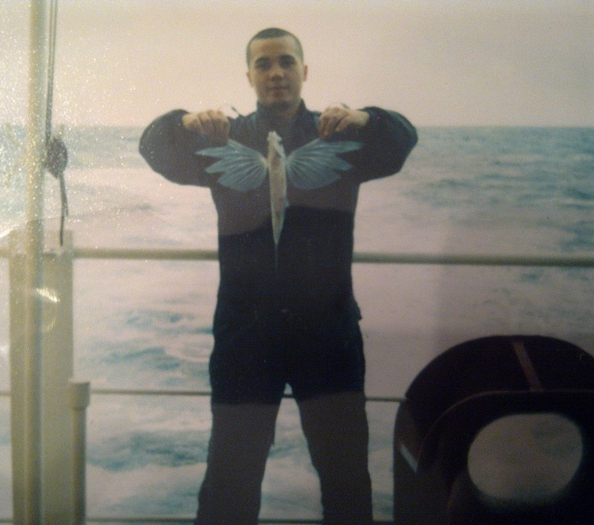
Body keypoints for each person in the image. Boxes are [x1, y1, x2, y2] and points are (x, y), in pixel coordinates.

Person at [139, 27, 417, 525]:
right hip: (246, 337)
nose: (276, 73)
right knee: (230, 481)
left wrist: (365, 117)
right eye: (263, 64)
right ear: (248, 77)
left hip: (328, 334)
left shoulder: (338, 134)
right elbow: (153, 148)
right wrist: (185, 120)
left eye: (286, 62)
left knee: (346, 480)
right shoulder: (224, 138)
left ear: (304, 71)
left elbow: (401, 140)